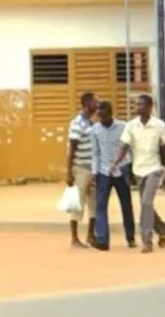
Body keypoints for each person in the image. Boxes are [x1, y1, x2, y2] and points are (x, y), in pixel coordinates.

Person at [112, 94, 165, 253]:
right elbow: (124, 145)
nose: (137, 108)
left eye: (141, 105)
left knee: (145, 203)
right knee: (147, 205)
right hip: (138, 170)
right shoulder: (131, 125)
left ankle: (147, 241)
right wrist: (116, 162)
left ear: (150, 107)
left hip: (154, 168)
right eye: (136, 105)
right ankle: (162, 229)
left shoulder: (159, 125)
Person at [89, 101, 136, 250]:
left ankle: (130, 237)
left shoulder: (123, 126)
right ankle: (103, 240)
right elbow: (95, 153)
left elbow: (130, 148)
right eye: (98, 116)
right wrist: (94, 173)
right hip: (103, 172)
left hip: (121, 170)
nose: (100, 119)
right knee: (101, 205)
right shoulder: (95, 130)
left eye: (103, 115)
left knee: (126, 205)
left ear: (110, 113)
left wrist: (132, 167)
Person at [65, 92, 98, 248]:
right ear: (86, 104)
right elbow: (72, 149)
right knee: (78, 203)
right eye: (94, 101)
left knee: (94, 203)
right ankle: (74, 238)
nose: (97, 104)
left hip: (92, 169)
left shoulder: (90, 123)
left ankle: (90, 235)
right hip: (81, 169)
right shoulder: (78, 123)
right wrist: (69, 173)